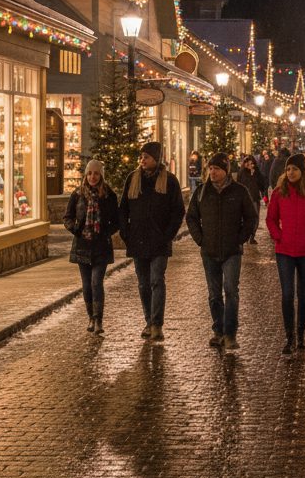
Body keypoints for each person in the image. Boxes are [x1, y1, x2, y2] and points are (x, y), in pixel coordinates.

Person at [185, 151, 259, 349]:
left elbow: (251, 217)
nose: (212, 172)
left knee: (231, 291)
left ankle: (230, 333)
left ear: (226, 170)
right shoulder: (201, 191)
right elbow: (191, 217)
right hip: (209, 251)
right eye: (210, 169)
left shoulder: (239, 191)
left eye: (216, 169)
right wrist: (200, 239)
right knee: (214, 294)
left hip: (232, 251)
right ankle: (218, 330)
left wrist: (240, 239)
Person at [119, 142, 186, 342]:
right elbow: (123, 208)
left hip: (159, 241)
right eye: (141, 156)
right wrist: (126, 233)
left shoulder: (169, 181)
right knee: (143, 284)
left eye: (146, 157)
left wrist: (168, 235)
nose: (142, 160)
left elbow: (178, 211)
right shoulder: (133, 179)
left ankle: (157, 324)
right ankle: (148, 321)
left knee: (157, 281)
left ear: (156, 159)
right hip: (137, 240)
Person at [266, 153, 305, 353]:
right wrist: (278, 235)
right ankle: (290, 336)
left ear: (302, 171)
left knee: (303, 294)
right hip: (284, 250)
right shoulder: (279, 192)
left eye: (295, 169)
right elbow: (270, 218)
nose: (291, 173)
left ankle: (301, 333)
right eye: (288, 169)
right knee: (287, 294)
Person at [63, 159, 119, 334]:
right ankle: (90, 318)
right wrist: (75, 229)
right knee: (86, 284)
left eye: (96, 173)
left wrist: (105, 233)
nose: (92, 177)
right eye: (90, 173)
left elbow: (117, 221)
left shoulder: (109, 195)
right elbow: (67, 217)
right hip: (82, 246)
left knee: (96, 283)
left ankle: (99, 320)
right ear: (86, 175)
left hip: (101, 246)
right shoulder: (78, 194)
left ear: (101, 175)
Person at [237, 155, 266, 245]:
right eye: (248, 164)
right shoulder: (242, 173)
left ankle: (252, 236)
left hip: (255, 197)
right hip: (245, 199)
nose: (250, 165)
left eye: (251, 164)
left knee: (255, 217)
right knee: (245, 218)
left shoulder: (257, 173)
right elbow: (239, 184)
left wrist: (254, 175)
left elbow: (262, 184)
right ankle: (245, 235)